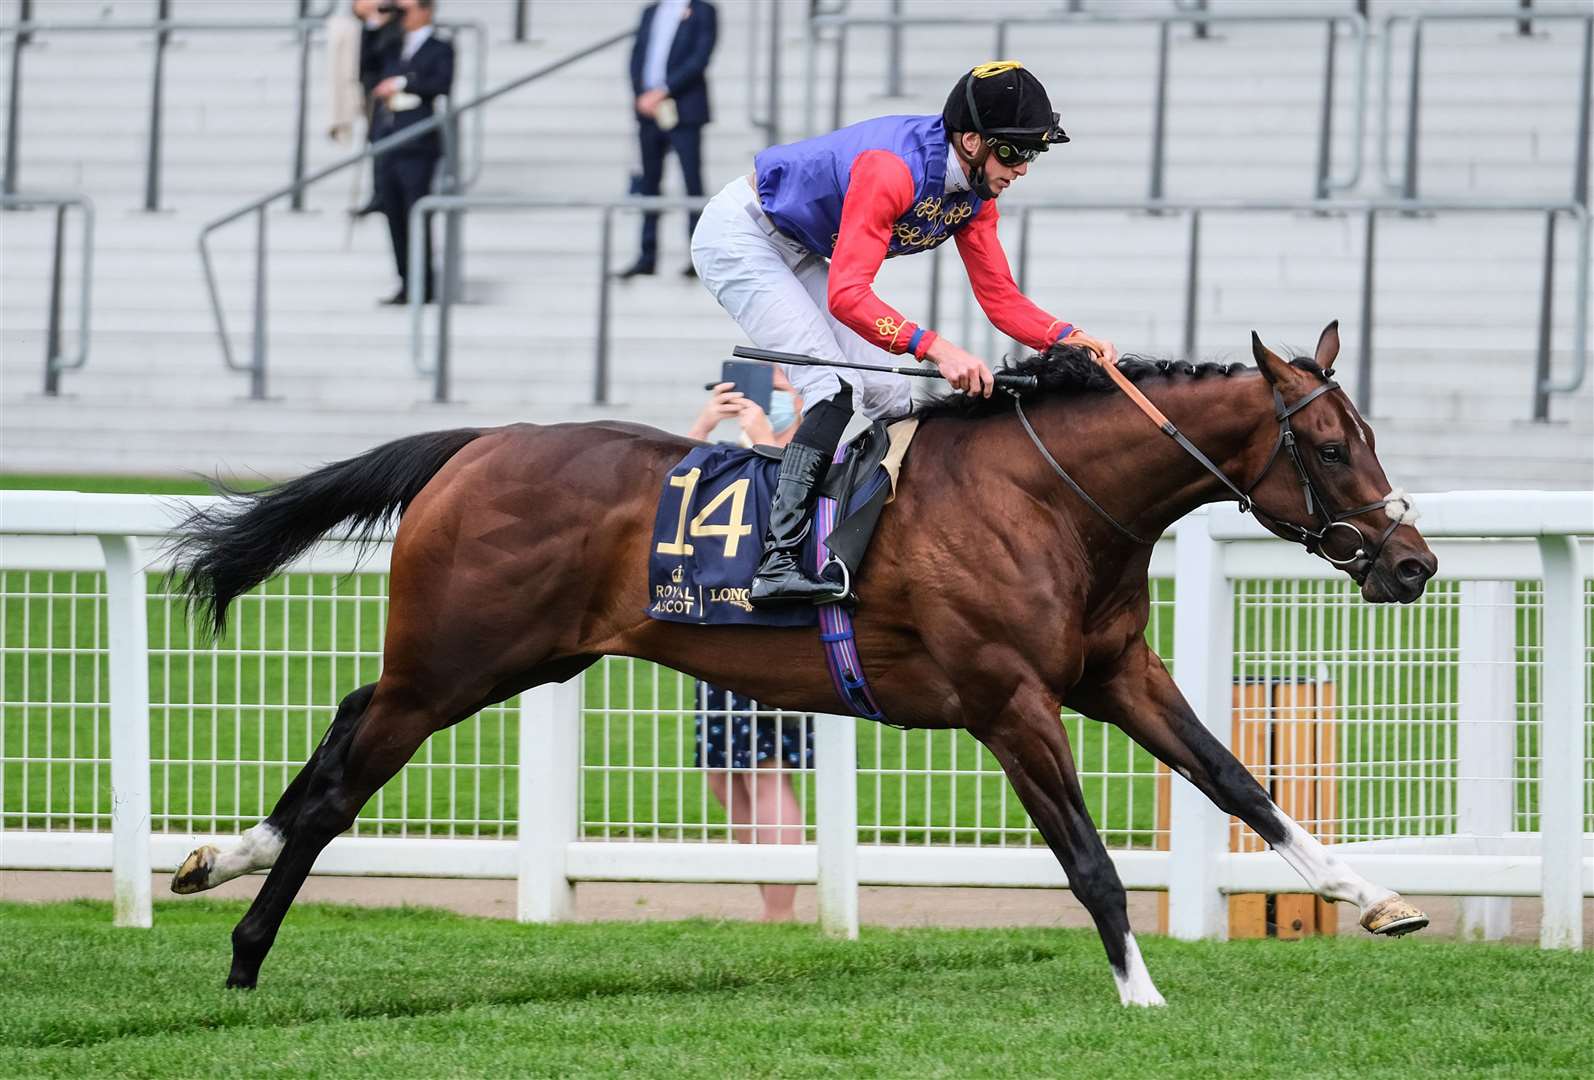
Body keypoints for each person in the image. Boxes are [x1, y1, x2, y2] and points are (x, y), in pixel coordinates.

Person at [691, 62, 1119, 608]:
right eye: (1013, 152)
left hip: (798, 245)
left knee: (890, 394)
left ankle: (869, 534)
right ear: (971, 141)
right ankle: (776, 562)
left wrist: (1068, 336)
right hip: (743, 236)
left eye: (1032, 153)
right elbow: (848, 296)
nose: (1023, 169)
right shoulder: (891, 169)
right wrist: (935, 347)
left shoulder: (975, 195)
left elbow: (1000, 299)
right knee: (832, 388)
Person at [685, 376, 810, 922]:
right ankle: (768, 902)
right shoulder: (739, 445)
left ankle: (780, 912)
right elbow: (680, 491)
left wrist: (765, 435)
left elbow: (790, 501)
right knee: (723, 771)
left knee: (765, 769)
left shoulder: (813, 446)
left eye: (781, 385)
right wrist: (705, 427)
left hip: (771, 632)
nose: (768, 395)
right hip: (719, 623)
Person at [617, 0, 718, 280]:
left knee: (691, 183)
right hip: (649, 111)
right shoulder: (651, 12)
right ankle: (646, 255)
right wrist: (642, 94)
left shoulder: (703, 10)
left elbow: (700, 58)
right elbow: (638, 56)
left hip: (683, 108)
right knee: (649, 183)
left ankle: (698, 256)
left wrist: (663, 90)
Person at [369, 0, 454, 304]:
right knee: (393, 216)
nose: (403, 15)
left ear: (426, 10)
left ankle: (424, 284)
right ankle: (405, 282)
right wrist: (378, 19)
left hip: (418, 145)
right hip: (389, 139)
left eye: (408, 8)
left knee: (416, 215)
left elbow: (441, 83)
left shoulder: (439, 46)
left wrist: (404, 82)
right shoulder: (391, 44)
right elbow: (367, 62)